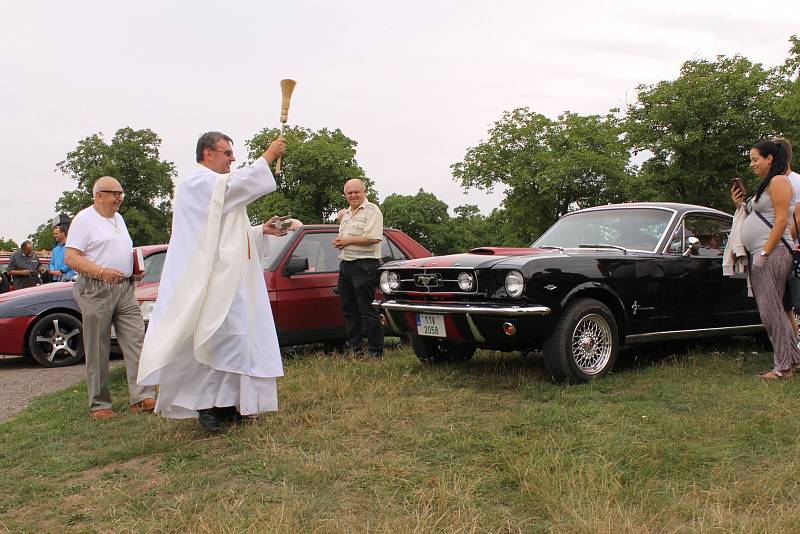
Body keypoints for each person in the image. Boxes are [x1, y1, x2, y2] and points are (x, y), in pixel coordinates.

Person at [137, 131, 287, 434]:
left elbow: (227, 233)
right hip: (207, 281)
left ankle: (232, 404)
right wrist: (268, 156)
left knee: (236, 341)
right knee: (212, 339)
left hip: (231, 282)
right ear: (208, 153)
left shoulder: (218, 188)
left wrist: (260, 231)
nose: (232, 159)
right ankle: (206, 406)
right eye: (227, 153)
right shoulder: (198, 183)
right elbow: (234, 189)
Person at [65, 176, 157, 419]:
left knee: (137, 339)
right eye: (114, 193)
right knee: (98, 346)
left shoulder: (119, 219)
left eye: (121, 193)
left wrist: (132, 269)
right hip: (96, 288)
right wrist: (102, 271)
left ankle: (142, 397)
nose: (119, 197)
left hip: (124, 289)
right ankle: (100, 404)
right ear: (98, 195)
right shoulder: (84, 219)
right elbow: (71, 258)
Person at [732, 139, 800, 378]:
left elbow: (783, 220)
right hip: (765, 253)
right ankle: (791, 361)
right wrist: (740, 203)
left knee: (770, 311)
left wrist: (764, 252)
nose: (752, 164)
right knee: (777, 310)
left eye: (755, 159)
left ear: (769, 158)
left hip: (773, 253)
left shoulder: (780, 181)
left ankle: (782, 367)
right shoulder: (769, 183)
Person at [333, 178, 384, 358]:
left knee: (367, 310)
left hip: (365, 265)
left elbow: (375, 238)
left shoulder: (372, 210)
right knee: (349, 310)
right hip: (346, 264)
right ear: (345, 195)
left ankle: (375, 352)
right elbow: (341, 215)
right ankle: (355, 351)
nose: (353, 195)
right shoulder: (347, 214)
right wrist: (342, 242)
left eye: (356, 192)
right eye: (349, 193)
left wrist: (347, 241)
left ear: (364, 192)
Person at [775, 139, 800, 336]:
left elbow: (796, 219)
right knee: (785, 305)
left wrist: (779, 243)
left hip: (792, 251)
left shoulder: (796, 181)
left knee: (795, 303)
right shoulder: (774, 183)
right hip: (783, 251)